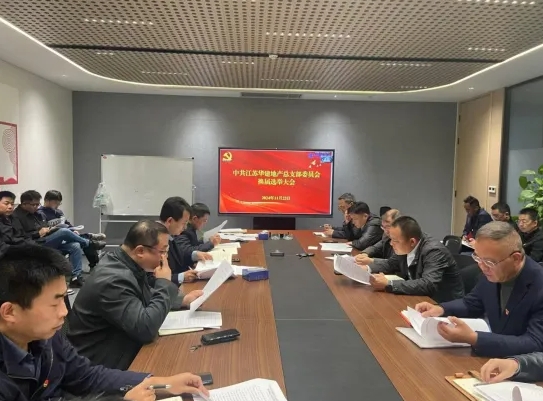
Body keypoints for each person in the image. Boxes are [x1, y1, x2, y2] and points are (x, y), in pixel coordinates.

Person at [0, 245, 209, 401]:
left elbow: (88, 376)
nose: (64, 312)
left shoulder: (45, 336)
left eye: (64, 299)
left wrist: (161, 383)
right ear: (9, 312)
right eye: (54, 304)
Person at [67, 220, 204, 370]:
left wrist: (182, 301)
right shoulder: (113, 280)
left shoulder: (125, 262)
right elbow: (145, 329)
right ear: (140, 251)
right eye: (162, 252)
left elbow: (144, 295)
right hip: (101, 363)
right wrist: (164, 283)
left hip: (120, 345)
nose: (165, 258)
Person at [416, 221, 543, 357]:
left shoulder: (538, 285)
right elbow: (472, 303)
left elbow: (535, 342)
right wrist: (441, 309)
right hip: (492, 357)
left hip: (519, 363)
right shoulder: (492, 272)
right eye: (477, 258)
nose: (482, 266)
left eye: (489, 262)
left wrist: (474, 338)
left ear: (516, 259)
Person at [11, 190, 105, 288]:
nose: (36, 207)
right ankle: (89, 242)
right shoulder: (16, 217)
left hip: (46, 239)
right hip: (35, 244)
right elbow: (20, 238)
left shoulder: (36, 213)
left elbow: (45, 226)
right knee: (64, 232)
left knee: (75, 245)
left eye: (37, 204)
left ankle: (75, 278)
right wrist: (37, 234)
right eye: (33, 205)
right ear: (24, 203)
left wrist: (50, 229)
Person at [364, 216, 464, 302]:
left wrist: (390, 284)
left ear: (412, 242)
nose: (391, 244)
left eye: (395, 241)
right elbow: (391, 263)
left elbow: (428, 284)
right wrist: (367, 268)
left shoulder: (434, 251)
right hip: (418, 297)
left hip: (441, 303)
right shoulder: (406, 244)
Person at [159, 197, 213, 285]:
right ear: (170, 221)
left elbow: (179, 256)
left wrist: (195, 255)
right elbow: (153, 280)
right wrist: (180, 277)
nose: (185, 228)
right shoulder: (155, 241)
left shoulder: (170, 236)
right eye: (184, 223)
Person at [39, 189, 106, 239]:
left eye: (59, 203)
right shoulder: (40, 213)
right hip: (53, 236)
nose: (58, 205)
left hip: (66, 234)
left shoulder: (58, 212)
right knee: (75, 242)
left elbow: (66, 223)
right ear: (47, 200)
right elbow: (44, 230)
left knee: (78, 240)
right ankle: (89, 236)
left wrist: (74, 230)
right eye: (56, 202)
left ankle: (88, 238)